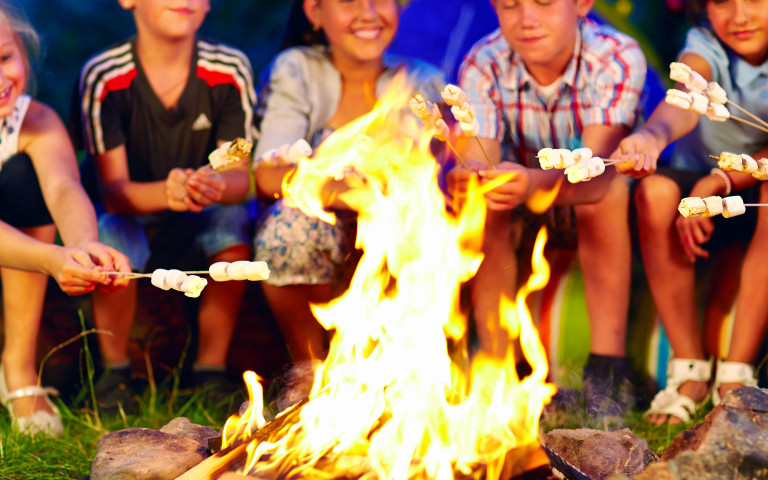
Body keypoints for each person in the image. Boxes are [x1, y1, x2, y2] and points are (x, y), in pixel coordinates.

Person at [449, 0, 646, 416]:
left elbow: (597, 171)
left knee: (605, 194)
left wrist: (530, 183)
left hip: (598, 201)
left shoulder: (615, 57)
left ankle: (608, 372)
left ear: (581, 4)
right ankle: (495, 367)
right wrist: (480, 175)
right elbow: (479, 157)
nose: (527, 19)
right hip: (524, 201)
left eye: (543, 2)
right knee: (486, 202)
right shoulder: (484, 61)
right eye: (509, 5)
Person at [70, 0, 256, 412]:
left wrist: (213, 184)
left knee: (233, 225)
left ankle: (210, 370)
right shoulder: (104, 77)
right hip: (132, 208)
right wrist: (168, 193)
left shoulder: (229, 70)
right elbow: (113, 190)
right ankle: (114, 373)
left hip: (202, 211)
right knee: (110, 236)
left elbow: (240, 173)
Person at [252, 0, 444, 368]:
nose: (368, 12)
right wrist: (358, 194)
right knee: (287, 229)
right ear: (315, 12)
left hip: (397, 231)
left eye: (380, 0)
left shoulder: (424, 81)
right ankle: (309, 365)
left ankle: (397, 368)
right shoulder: (297, 71)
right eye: (348, 2)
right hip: (321, 226)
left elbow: (434, 177)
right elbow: (269, 175)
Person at [613, 0, 768, 424]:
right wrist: (650, 137)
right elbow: (688, 96)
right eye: (722, 1)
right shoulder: (705, 44)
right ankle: (689, 369)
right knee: (656, 191)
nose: (739, 16)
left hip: (752, 195)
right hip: (696, 187)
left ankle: (737, 374)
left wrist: (717, 184)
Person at [0, 1, 130, 436]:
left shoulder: (34, 120)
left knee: (25, 177)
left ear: (21, 47)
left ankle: (17, 366)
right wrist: (50, 259)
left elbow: (62, 187)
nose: (1, 80)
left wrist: (81, 245)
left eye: (4, 57)